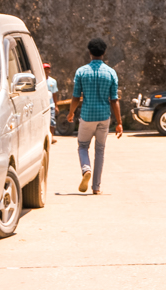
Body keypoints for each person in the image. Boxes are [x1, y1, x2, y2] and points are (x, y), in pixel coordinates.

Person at [67, 38, 123, 194]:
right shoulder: (111, 73)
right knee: (100, 150)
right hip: (104, 116)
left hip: (87, 116)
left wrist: (71, 113)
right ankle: (96, 187)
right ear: (104, 53)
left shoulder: (81, 72)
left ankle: (86, 170)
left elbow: (76, 96)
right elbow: (114, 100)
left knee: (83, 146)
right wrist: (119, 122)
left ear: (89, 52)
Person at [43, 62, 58, 144]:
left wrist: (56, 105)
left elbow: (54, 94)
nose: (46, 71)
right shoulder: (39, 81)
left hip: (50, 104)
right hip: (42, 104)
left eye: (48, 69)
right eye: (45, 69)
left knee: (52, 121)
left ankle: (51, 136)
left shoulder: (53, 81)